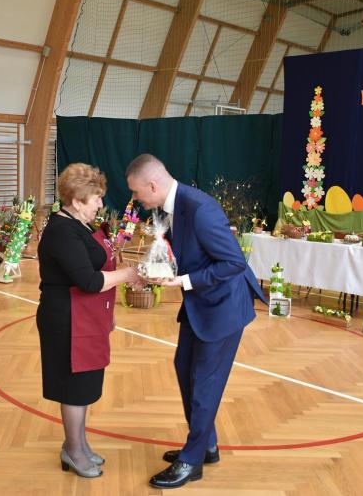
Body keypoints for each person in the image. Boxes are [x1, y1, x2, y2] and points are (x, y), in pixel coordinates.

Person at [126, 153, 266, 489]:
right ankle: (207, 446)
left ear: (153, 185)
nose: (135, 199)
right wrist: (156, 271)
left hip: (223, 306)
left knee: (204, 383)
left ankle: (192, 460)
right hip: (199, 304)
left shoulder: (201, 208)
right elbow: (182, 253)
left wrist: (183, 281)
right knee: (184, 368)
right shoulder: (166, 208)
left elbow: (233, 262)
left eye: (136, 192)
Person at [37, 162, 140, 478]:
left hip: (87, 317)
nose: (100, 203)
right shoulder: (61, 231)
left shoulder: (82, 225)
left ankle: (79, 445)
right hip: (66, 320)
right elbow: (90, 281)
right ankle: (73, 450)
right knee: (74, 388)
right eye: (96, 198)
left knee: (84, 386)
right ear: (77, 201)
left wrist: (108, 314)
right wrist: (129, 274)